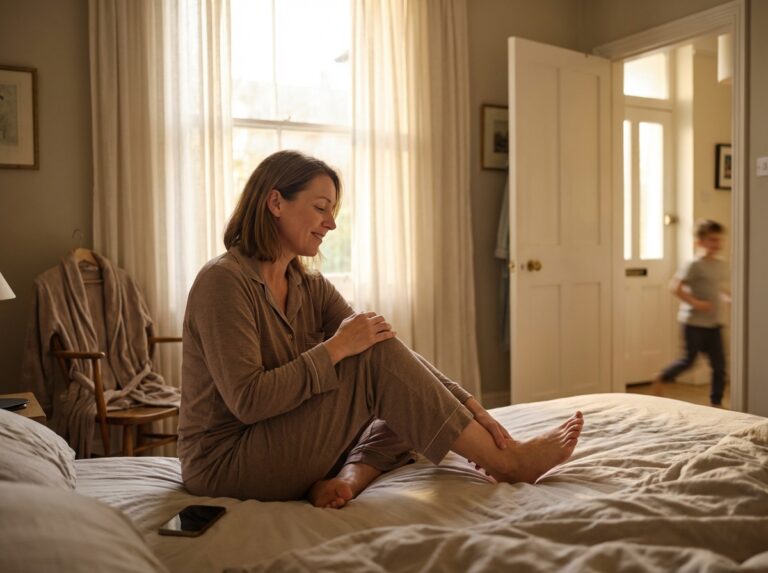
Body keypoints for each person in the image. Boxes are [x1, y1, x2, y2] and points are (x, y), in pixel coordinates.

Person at [178, 150, 584, 508]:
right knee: (379, 373)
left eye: (332, 211)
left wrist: (472, 406)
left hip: (281, 438)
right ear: (275, 202)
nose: (331, 223)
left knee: (408, 405)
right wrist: (336, 349)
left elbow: (389, 354)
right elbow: (248, 401)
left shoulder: (307, 283)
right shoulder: (223, 281)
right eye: (321, 208)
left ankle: (348, 479)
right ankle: (508, 464)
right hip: (227, 461)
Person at [653, 220, 729, 407]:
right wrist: (697, 303)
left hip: (714, 324)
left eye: (718, 239)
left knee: (719, 366)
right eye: (712, 240)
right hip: (693, 323)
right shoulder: (693, 264)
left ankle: (716, 403)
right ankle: (662, 376)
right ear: (699, 242)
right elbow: (675, 287)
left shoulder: (720, 264)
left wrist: (727, 298)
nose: (716, 244)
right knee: (689, 361)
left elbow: (715, 288)